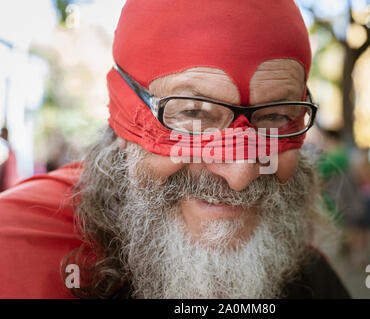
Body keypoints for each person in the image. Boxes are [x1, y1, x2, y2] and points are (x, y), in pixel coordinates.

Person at [0, 0, 350, 299]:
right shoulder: (17, 258)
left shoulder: (309, 279)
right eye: (193, 113)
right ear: (123, 117)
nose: (240, 175)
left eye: (275, 116)